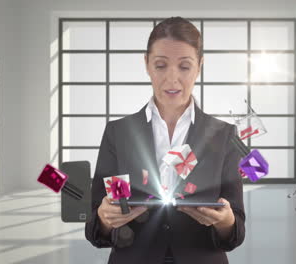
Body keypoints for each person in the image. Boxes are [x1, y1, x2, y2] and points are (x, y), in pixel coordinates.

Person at [85, 16, 245, 264]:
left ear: (199, 66)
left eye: (184, 66)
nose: (172, 79)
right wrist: (106, 219)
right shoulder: (118, 132)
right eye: (161, 65)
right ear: (147, 64)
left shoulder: (224, 135)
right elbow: (96, 230)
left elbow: (235, 233)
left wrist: (226, 222)